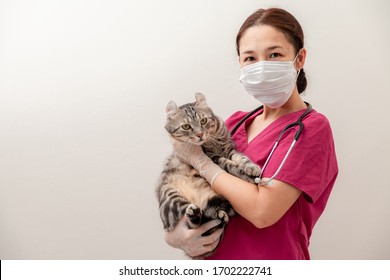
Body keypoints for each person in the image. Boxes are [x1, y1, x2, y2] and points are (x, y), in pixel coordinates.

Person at [164, 7, 338, 260]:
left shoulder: (311, 129)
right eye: (250, 58)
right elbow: (184, 188)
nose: (262, 67)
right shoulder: (233, 124)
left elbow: (262, 212)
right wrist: (174, 236)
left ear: (299, 59)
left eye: (274, 54)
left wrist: (200, 162)